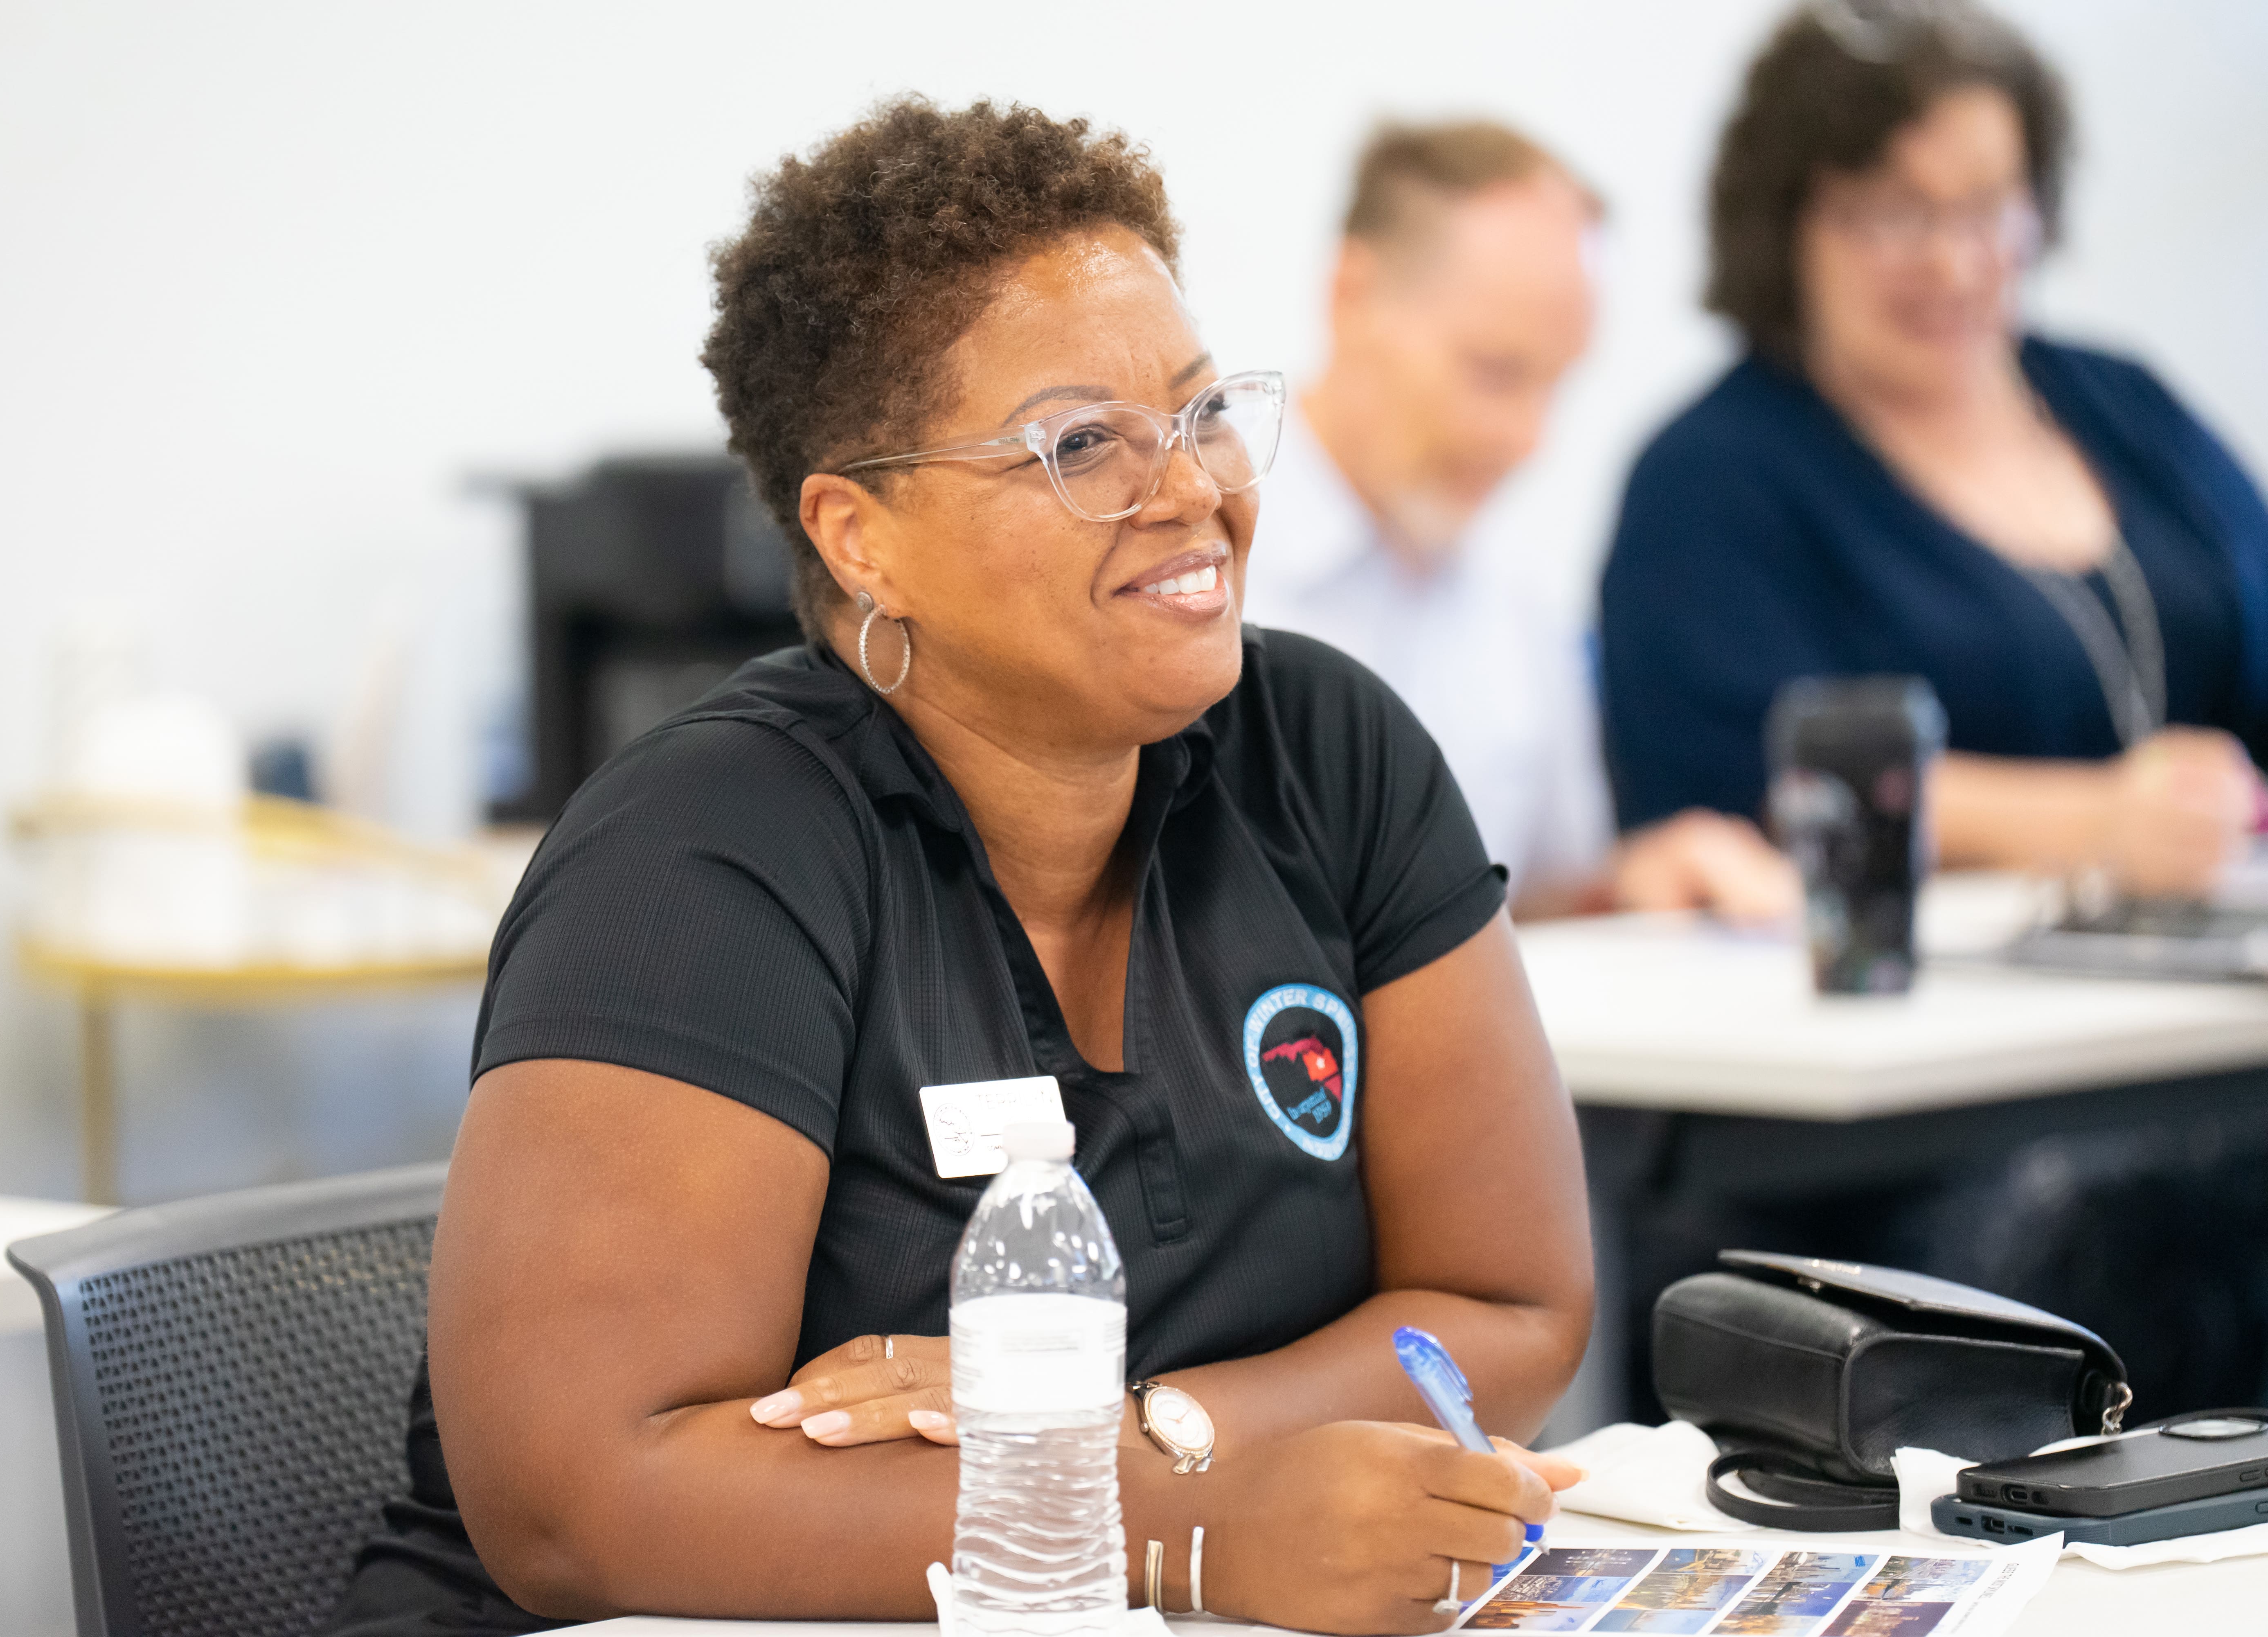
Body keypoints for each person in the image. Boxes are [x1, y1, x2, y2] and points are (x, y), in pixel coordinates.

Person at [321, 99, 1592, 1637]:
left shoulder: (1329, 752)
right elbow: (580, 1506)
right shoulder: (703, 854)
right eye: (1079, 446)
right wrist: (1178, 1526)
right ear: (865, 538)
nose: (1190, 488)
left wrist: (1134, 1437)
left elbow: (1510, 1302)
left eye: (1199, 413)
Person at [1601, 0, 2268, 900]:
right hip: (1919, 1012)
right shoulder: (1710, 478)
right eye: (1896, 215)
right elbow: (1751, 781)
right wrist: (2099, 822)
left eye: (1990, 207)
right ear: (1786, 223)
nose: (1955, 263)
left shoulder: (2124, 401)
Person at [1246, 120, 1797, 922]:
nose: (1529, 440)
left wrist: (1639, 878)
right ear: (1352, 298)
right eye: (1496, 372)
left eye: (1556, 384)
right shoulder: (1199, 564)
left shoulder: (1521, 603)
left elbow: (1525, 908)